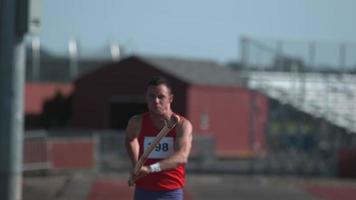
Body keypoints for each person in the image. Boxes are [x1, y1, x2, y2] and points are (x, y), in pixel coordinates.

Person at [125, 76, 193, 200]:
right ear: (146, 97)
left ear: (170, 98)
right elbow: (130, 139)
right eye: (152, 96)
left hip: (170, 191)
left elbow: (181, 157)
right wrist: (136, 165)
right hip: (143, 190)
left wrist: (150, 169)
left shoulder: (181, 125)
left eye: (161, 97)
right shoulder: (137, 122)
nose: (156, 101)